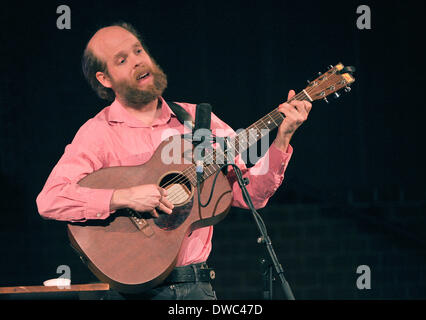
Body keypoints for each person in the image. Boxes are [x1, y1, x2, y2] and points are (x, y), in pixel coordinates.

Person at [36, 22, 312, 300]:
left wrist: (283, 137)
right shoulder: (99, 132)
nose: (137, 61)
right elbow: (50, 199)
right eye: (122, 60)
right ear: (105, 79)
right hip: (130, 291)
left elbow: (251, 195)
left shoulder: (199, 123)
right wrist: (125, 196)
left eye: (138, 51)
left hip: (195, 287)